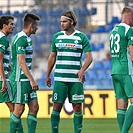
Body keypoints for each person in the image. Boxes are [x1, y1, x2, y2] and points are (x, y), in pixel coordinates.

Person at [46, 10, 93, 133]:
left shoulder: (81, 37)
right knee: (56, 106)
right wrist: (47, 75)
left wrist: (82, 70)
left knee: (77, 107)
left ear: (71, 22)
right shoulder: (57, 37)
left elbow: (89, 57)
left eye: (64, 21)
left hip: (75, 79)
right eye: (61, 21)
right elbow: (52, 57)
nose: (62, 24)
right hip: (60, 78)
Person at [9, 13, 40, 133]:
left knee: (34, 107)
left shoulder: (28, 39)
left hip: (27, 80)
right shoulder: (20, 39)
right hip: (20, 80)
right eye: (36, 25)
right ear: (31, 25)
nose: (37, 28)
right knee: (19, 110)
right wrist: (32, 79)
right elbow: (21, 62)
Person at [110, 6, 133, 133]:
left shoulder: (113, 30)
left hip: (115, 70)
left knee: (121, 105)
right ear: (130, 16)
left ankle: (122, 131)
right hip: (126, 70)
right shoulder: (129, 30)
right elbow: (132, 51)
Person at [0, 15, 24, 132]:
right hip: (1, 79)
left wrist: (8, 66)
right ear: (4, 26)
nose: (13, 26)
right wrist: (4, 80)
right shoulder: (3, 39)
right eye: (11, 24)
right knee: (15, 110)